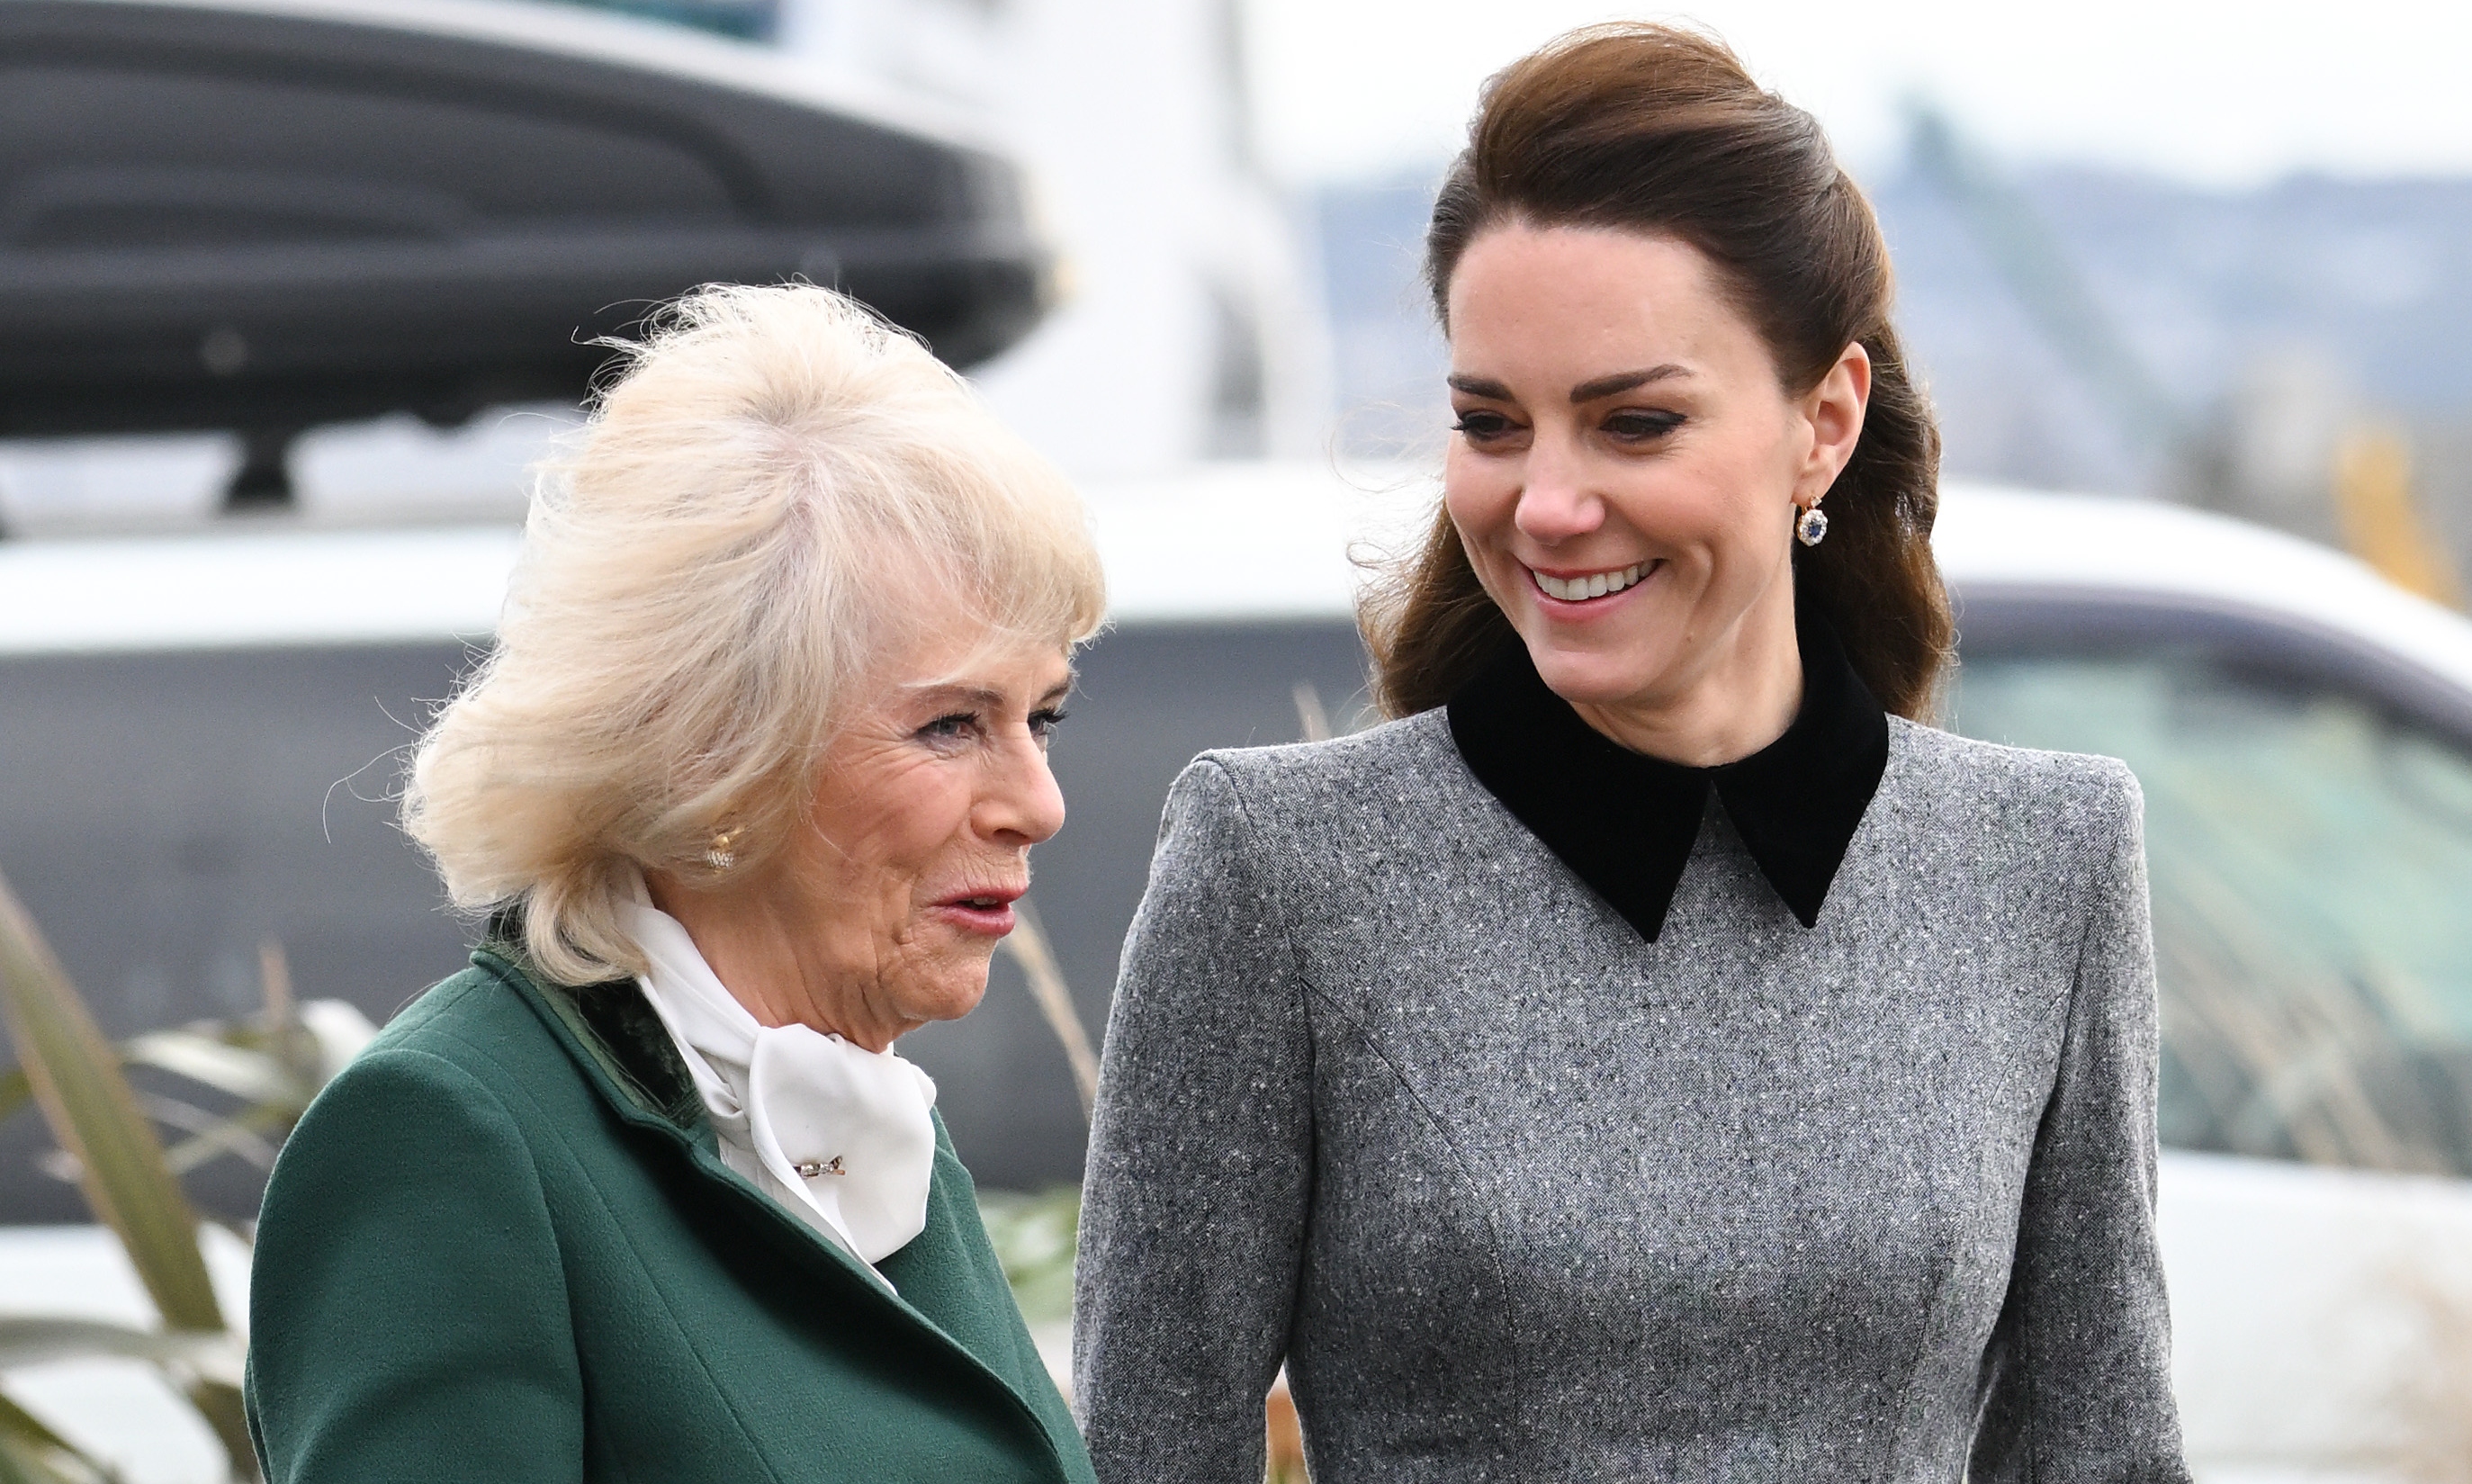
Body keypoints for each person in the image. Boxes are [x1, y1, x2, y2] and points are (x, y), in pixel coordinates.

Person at [1075, 23, 2189, 1482]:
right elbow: (1147, 1451)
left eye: (1634, 422)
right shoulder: (1281, 870)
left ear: (1824, 424)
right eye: (1492, 421)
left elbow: (2101, 1450)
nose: (1543, 504)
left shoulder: (2046, 860)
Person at [245, 283, 1104, 1484]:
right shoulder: (452, 1139)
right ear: (717, 745)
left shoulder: (855, 1115)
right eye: (955, 724)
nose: (1039, 802)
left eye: (1043, 716)